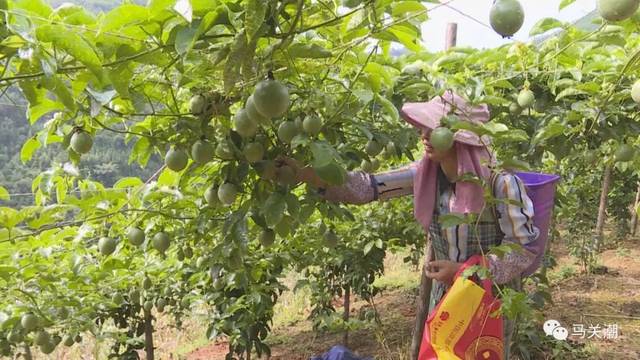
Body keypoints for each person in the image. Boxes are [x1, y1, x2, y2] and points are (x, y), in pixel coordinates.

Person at [279, 91, 539, 359]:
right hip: (446, 299)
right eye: (424, 127)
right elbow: (366, 188)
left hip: (489, 304)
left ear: (462, 137)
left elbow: (521, 250)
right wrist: (305, 173)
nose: (424, 136)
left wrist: (465, 271)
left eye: (434, 128)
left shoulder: (501, 185)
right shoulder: (426, 175)